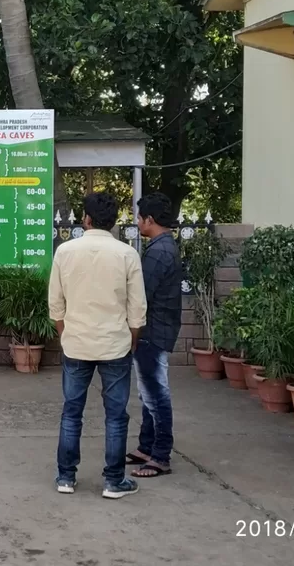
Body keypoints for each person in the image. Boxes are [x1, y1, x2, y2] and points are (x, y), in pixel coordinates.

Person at [48, 191, 147, 499]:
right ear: (114, 221)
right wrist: (130, 342)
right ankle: (114, 481)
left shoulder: (65, 251)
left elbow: (56, 304)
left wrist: (66, 335)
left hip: (75, 344)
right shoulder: (127, 254)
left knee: (71, 412)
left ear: (86, 219)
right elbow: (138, 309)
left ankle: (66, 478)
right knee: (116, 416)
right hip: (115, 346)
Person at [128, 193, 182, 480]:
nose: (137, 222)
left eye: (139, 218)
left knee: (155, 394)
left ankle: (160, 455)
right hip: (158, 328)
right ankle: (146, 446)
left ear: (150, 220)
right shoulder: (163, 246)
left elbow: (141, 295)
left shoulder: (159, 252)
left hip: (153, 330)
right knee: (147, 390)